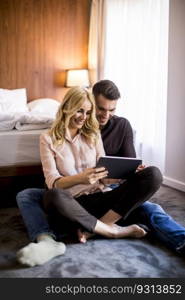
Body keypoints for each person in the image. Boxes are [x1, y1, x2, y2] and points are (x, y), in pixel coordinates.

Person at [16, 81, 185, 266]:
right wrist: (81, 178)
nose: (84, 117)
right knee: (50, 195)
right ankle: (112, 230)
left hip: (100, 197)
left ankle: (94, 228)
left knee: (153, 176)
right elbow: (52, 182)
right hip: (72, 202)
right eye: (80, 111)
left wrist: (131, 173)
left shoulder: (93, 134)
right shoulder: (47, 138)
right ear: (66, 108)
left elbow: (105, 176)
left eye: (88, 112)